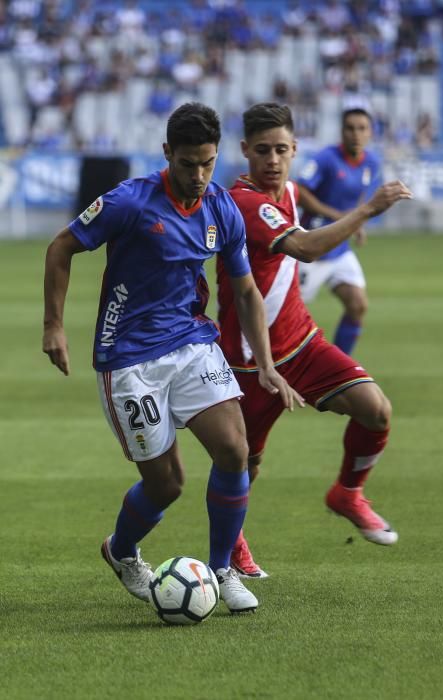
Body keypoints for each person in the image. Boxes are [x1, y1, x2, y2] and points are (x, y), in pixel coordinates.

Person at [42, 102, 302, 614]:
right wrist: (53, 325)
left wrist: (267, 364)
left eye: (208, 162)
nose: (199, 175)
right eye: (188, 164)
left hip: (190, 343)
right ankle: (120, 551)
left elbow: (246, 291)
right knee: (167, 485)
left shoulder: (221, 207)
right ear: (167, 155)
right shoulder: (130, 201)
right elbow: (60, 247)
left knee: (234, 449)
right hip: (128, 357)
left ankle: (223, 568)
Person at [216, 103, 412, 579]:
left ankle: (347, 492)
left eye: (281, 150)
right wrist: (367, 211)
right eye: (262, 151)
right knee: (246, 464)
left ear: (294, 150)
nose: (272, 160)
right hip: (249, 360)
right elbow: (302, 248)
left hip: (302, 343)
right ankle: (231, 540)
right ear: (245, 151)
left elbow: (304, 227)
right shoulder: (244, 201)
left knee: (376, 409)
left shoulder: (289, 191)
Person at [297, 107, 381, 356]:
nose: (356, 134)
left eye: (362, 128)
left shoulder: (371, 163)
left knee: (357, 305)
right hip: (310, 250)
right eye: (350, 128)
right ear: (342, 131)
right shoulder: (326, 158)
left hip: (339, 250)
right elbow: (300, 192)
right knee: (279, 317)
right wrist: (341, 219)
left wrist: (356, 224)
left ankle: (339, 368)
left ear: (370, 132)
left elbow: (359, 199)